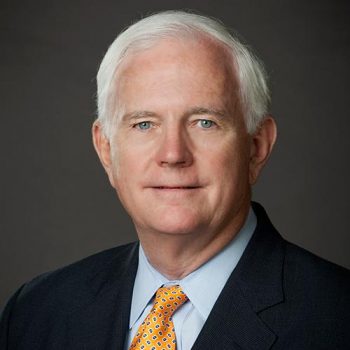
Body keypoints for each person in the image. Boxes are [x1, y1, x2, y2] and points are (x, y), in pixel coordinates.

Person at [1, 10, 349, 350]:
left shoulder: (337, 319)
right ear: (107, 151)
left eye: (204, 122)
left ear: (256, 147)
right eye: (144, 124)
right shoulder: (36, 311)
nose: (173, 154)